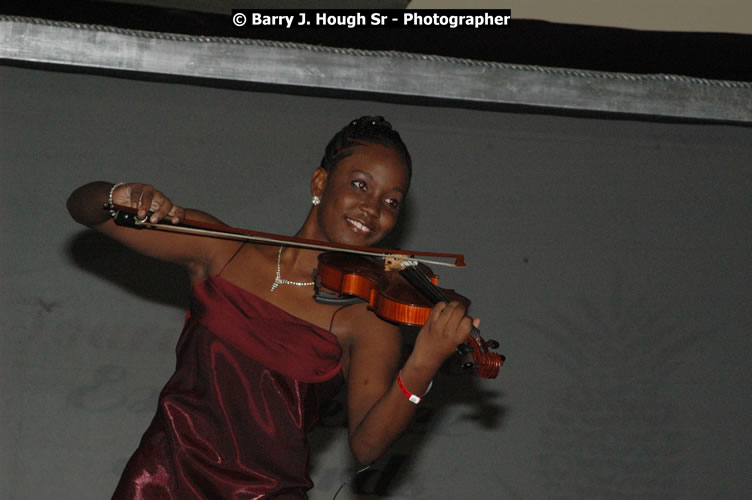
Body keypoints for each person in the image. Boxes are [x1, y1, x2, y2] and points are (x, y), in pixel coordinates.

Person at [67, 116, 475, 499]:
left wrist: (422, 363)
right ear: (320, 181)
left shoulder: (368, 319)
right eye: (361, 185)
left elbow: (367, 447)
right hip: (163, 483)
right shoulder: (222, 250)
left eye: (392, 202)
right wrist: (117, 194)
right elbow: (82, 208)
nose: (373, 210)